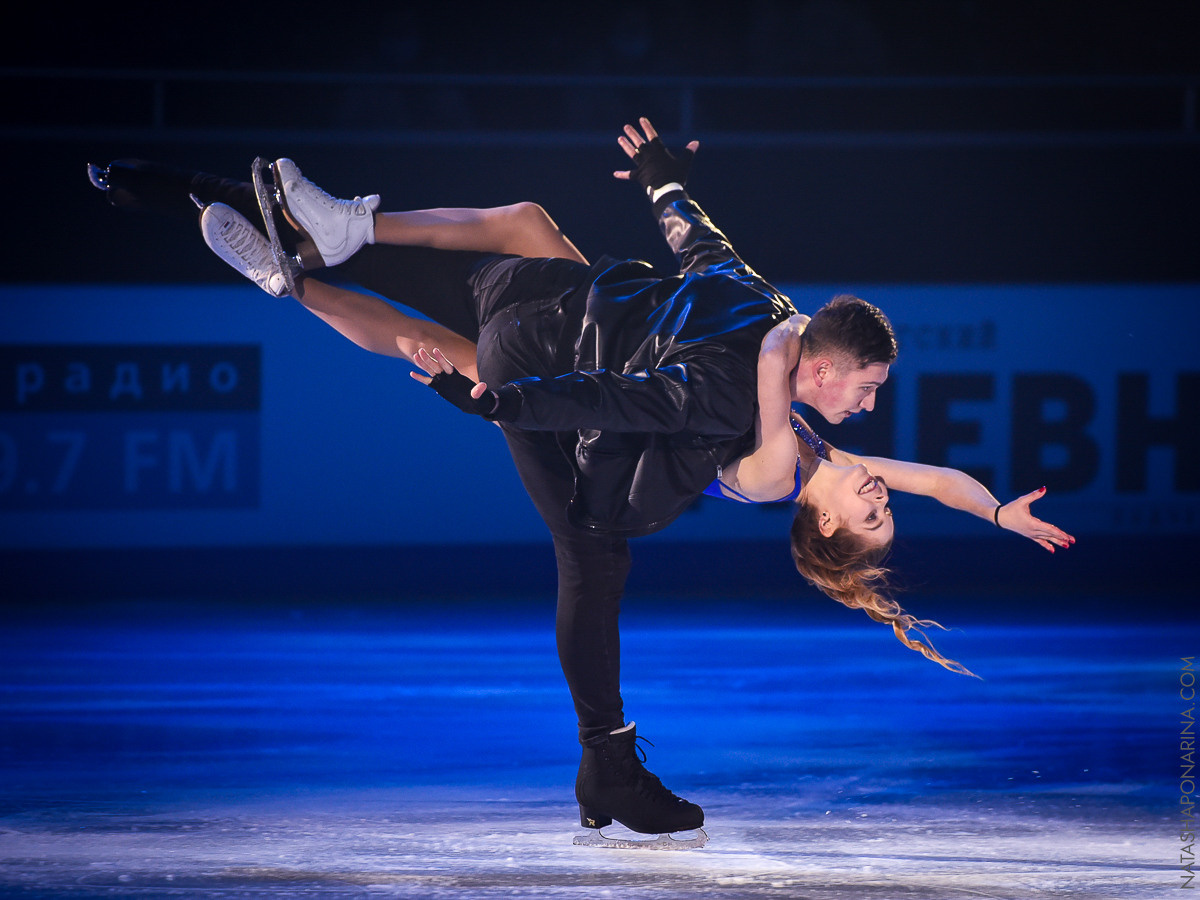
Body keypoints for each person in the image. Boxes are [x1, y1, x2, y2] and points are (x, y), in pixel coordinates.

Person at [88, 118, 1073, 840]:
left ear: (821, 523)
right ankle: (292, 254)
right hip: (578, 362)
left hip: (589, 403)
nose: (876, 474)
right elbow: (929, 472)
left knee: (505, 267)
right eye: (883, 499)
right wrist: (994, 506)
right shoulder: (820, 443)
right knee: (488, 308)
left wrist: (745, 304)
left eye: (868, 517)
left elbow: (651, 388)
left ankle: (294, 239)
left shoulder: (777, 458)